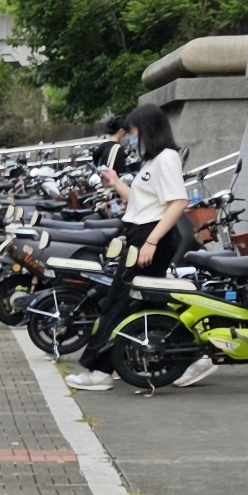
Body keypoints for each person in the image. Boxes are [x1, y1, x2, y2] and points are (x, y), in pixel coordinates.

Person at [66, 107, 208, 391]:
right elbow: (141, 203)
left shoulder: (166, 159)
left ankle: (100, 370)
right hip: (140, 234)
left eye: (133, 132)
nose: (131, 138)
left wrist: (151, 241)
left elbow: (178, 202)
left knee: (120, 299)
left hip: (149, 237)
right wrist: (117, 183)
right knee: (147, 302)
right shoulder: (154, 161)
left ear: (148, 130)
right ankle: (197, 354)